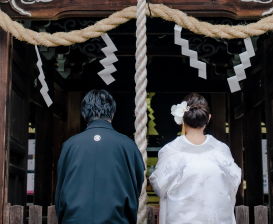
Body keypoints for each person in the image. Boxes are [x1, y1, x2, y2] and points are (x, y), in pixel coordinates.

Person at [54, 89, 145, 224]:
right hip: (117, 219)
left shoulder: (70, 145)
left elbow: (61, 188)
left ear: (84, 115)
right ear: (112, 113)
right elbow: (136, 185)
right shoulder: (129, 146)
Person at [149, 93, 242, 224]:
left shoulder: (170, 151)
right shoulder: (221, 150)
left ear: (181, 119)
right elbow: (233, 185)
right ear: (208, 118)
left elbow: (159, 185)